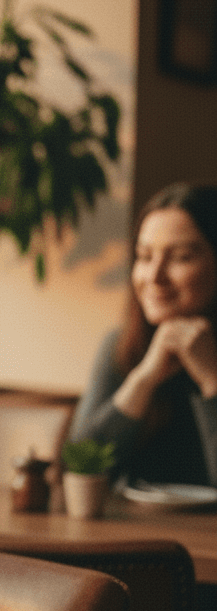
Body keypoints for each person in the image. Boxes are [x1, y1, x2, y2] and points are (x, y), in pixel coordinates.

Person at [68, 183, 217, 486]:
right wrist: (144, 378)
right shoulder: (121, 345)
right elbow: (78, 464)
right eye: (145, 256)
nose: (154, 276)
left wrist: (211, 377)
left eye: (181, 257)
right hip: (134, 533)